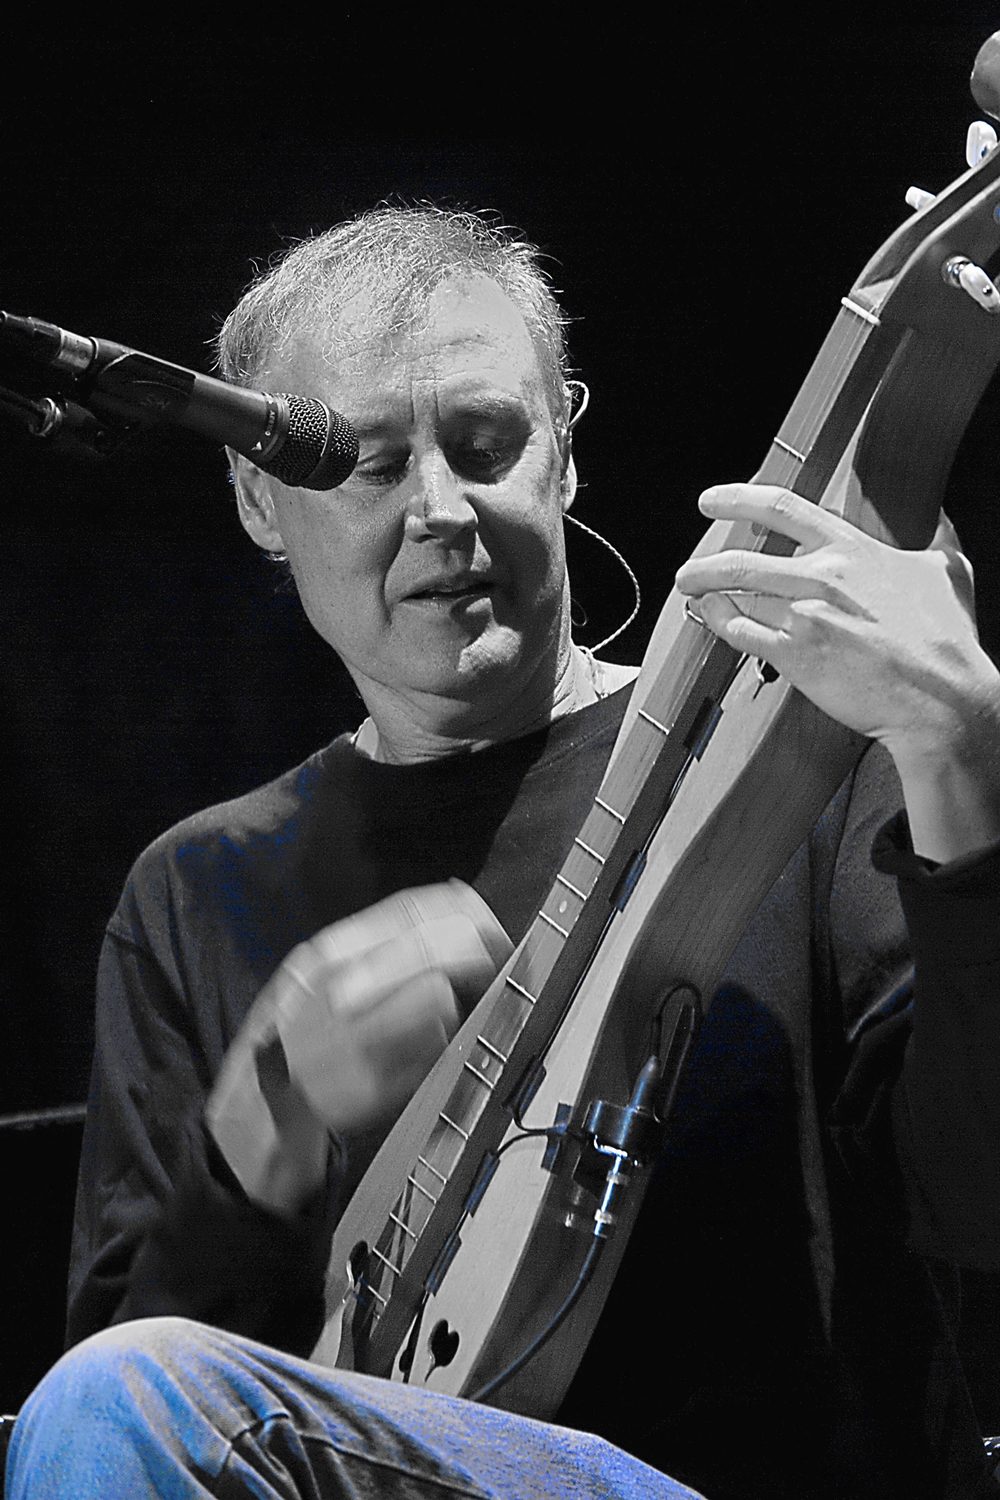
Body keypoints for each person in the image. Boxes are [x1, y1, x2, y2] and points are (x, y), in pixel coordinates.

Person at [6, 206, 1000, 1500]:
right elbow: (103, 1434)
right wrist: (254, 1146)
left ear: (565, 457)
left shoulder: (803, 752)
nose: (441, 511)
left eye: (487, 447)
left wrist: (961, 748)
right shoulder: (197, 891)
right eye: (366, 465)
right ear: (257, 498)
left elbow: (984, 1208)